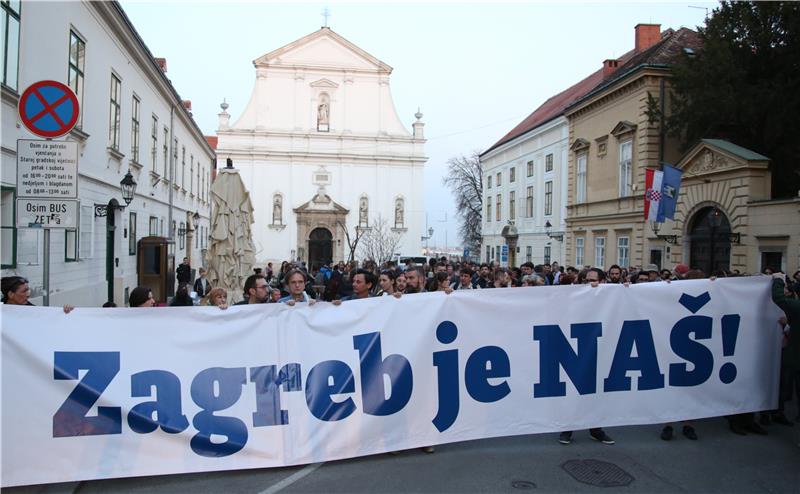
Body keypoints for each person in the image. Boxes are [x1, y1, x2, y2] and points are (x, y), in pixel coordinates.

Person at [1, 276, 74, 313]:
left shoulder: (30, 308)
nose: (28, 294)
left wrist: (64, 312)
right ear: (11, 294)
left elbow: (45, 316)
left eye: (28, 290)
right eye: (24, 291)